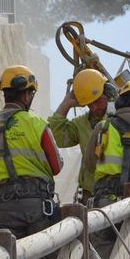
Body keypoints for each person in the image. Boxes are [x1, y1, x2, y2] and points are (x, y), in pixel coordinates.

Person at [0, 65, 63, 259]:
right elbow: (57, 166)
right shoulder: (36, 123)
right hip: (39, 209)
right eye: (31, 93)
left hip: (3, 212)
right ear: (26, 94)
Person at [48, 68, 116, 201]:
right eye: (89, 104)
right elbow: (55, 138)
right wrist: (66, 104)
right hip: (89, 196)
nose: (94, 107)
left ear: (108, 94)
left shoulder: (119, 121)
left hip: (116, 194)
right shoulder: (81, 124)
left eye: (98, 101)